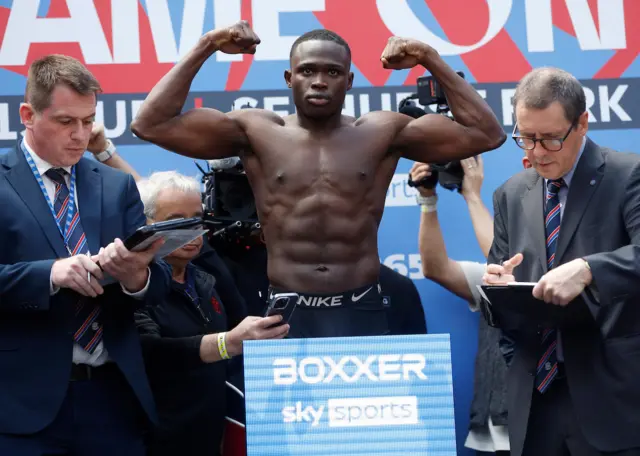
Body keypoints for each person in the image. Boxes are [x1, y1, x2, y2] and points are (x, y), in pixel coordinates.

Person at [130, 21, 505, 337]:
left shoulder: (382, 132)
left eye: (332, 72)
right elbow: (150, 123)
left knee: (365, 422)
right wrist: (207, 44)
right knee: (288, 425)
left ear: (350, 80)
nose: (320, 81)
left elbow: (487, 134)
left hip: (362, 306)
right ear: (289, 78)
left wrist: (427, 56)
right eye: (308, 71)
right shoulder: (255, 131)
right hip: (285, 311)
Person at [0, 54, 171, 455]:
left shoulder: (116, 187)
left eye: (88, 120)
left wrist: (135, 278)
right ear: (27, 114)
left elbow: (160, 283)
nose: (80, 134)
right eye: (65, 122)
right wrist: (50, 274)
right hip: (20, 406)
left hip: (112, 401)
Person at [483, 67, 640, 456]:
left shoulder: (627, 175)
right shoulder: (510, 194)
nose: (536, 152)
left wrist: (590, 269)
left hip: (613, 399)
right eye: (526, 138)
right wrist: (497, 288)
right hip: (535, 401)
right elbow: (497, 298)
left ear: (582, 124)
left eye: (551, 139)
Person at [134, 171, 289, 456]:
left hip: (208, 436)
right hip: (153, 440)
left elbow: (237, 329)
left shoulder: (206, 279)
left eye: (197, 218)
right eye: (175, 220)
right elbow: (149, 353)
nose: (190, 229)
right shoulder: (134, 286)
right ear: (146, 224)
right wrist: (225, 343)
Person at [410, 157, 509, 456]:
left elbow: (504, 259)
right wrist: (427, 201)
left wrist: (473, 196)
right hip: (494, 428)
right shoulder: (492, 281)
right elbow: (436, 268)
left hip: (548, 422)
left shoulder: (553, 273)